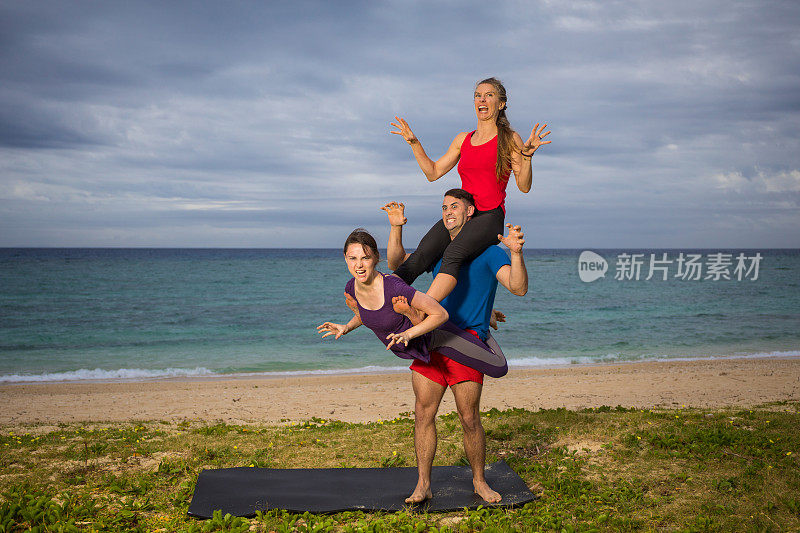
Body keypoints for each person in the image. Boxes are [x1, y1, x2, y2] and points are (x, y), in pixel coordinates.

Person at [383, 188, 528, 505]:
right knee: (423, 413)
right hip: (432, 339)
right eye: (444, 207)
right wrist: (396, 228)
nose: (448, 211)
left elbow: (517, 287)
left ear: (471, 212)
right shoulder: (441, 249)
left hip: (466, 344)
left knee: (469, 418)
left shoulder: (491, 252)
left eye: (455, 207)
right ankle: (423, 485)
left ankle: (479, 481)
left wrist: (515, 254)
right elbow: (399, 265)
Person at [390, 77, 549, 303]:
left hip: (490, 215)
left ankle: (422, 309)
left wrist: (527, 156)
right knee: (421, 255)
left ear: (501, 104)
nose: (481, 99)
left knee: (453, 253)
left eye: (489, 95)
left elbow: (524, 186)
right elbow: (433, 172)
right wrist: (414, 142)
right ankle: (380, 300)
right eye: (477, 95)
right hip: (463, 212)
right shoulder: (463, 139)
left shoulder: (509, 139)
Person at [317, 229, 509, 380]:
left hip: (438, 337)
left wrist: (408, 334)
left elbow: (440, 314)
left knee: (498, 367)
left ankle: (484, 318)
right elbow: (368, 313)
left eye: (365, 258)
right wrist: (347, 327)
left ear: (375, 258)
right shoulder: (351, 288)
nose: (359, 265)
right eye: (353, 258)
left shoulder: (393, 287)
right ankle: (483, 312)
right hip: (418, 349)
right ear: (345, 258)